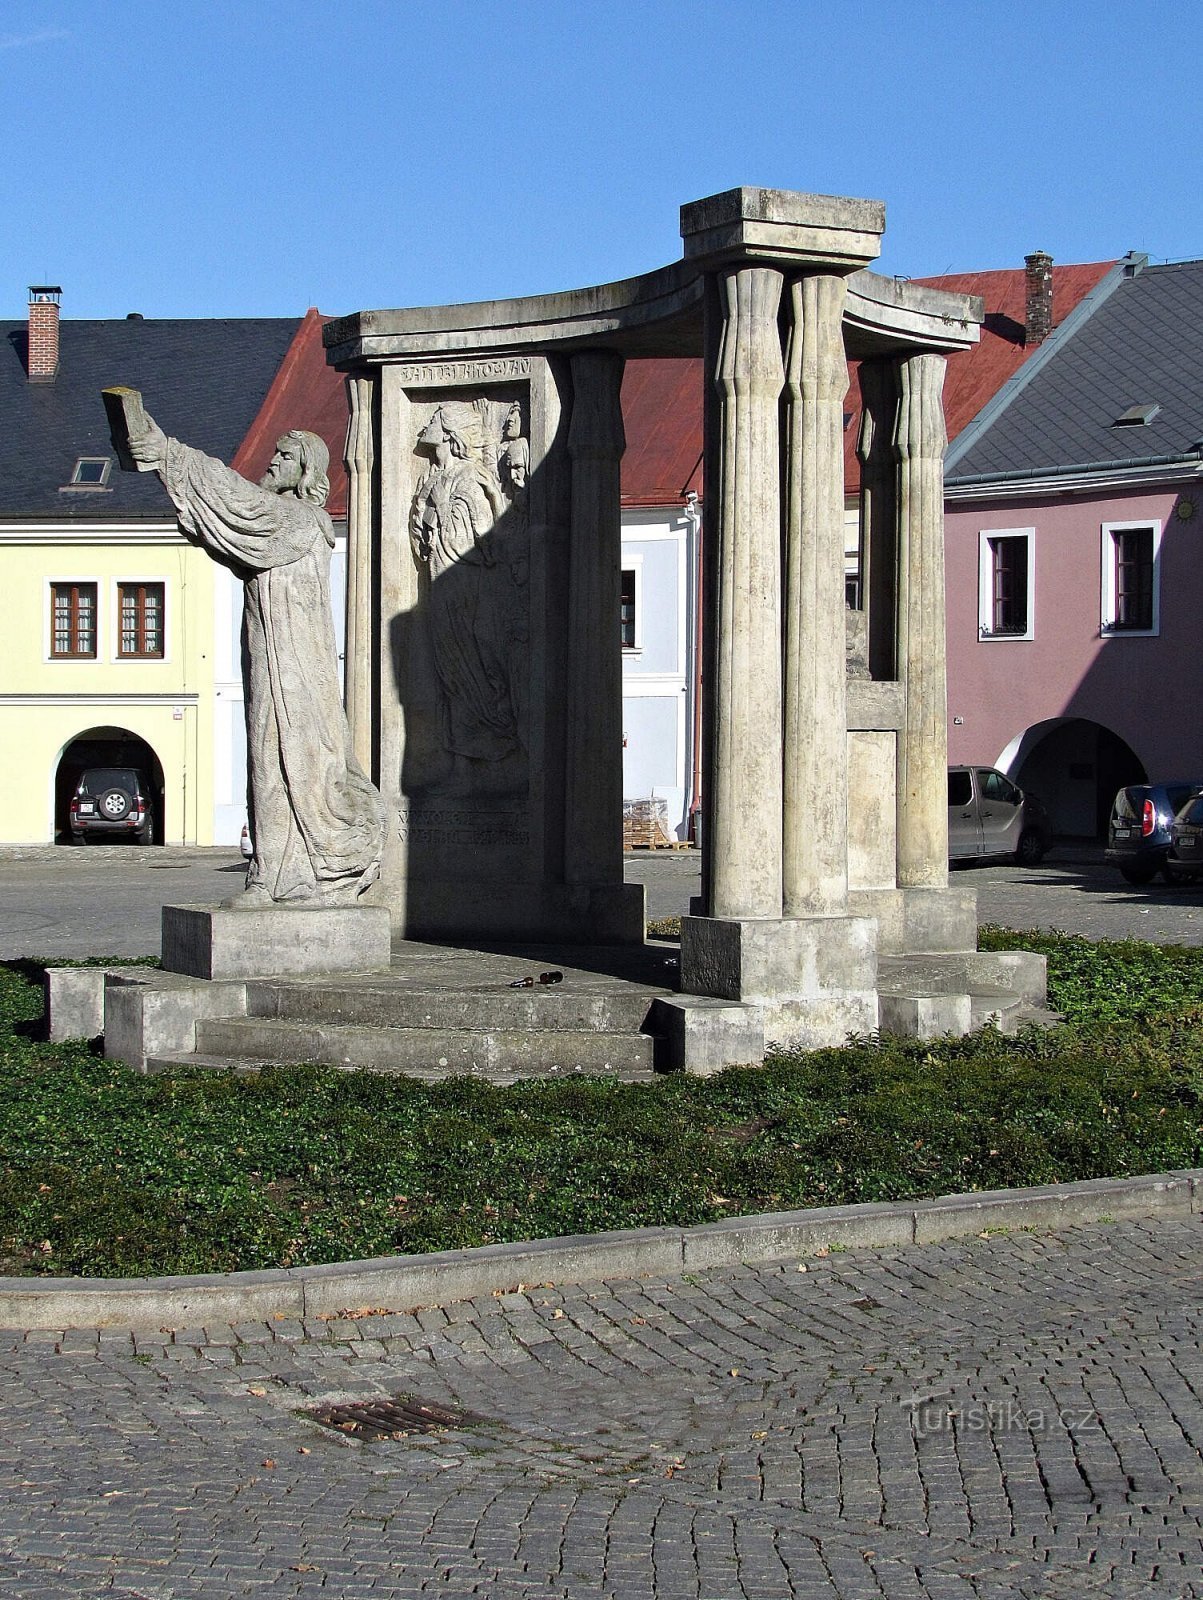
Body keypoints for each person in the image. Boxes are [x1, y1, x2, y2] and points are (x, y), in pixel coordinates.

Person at [124, 409, 386, 905]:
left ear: (306, 469)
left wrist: (167, 453)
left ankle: (287, 873)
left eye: (285, 456)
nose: (273, 462)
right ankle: (275, 872)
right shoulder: (282, 522)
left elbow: (237, 503)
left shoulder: (297, 521)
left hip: (294, 665)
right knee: (269, 754)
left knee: (288, 756)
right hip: (273, 656)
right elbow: (229, 525)